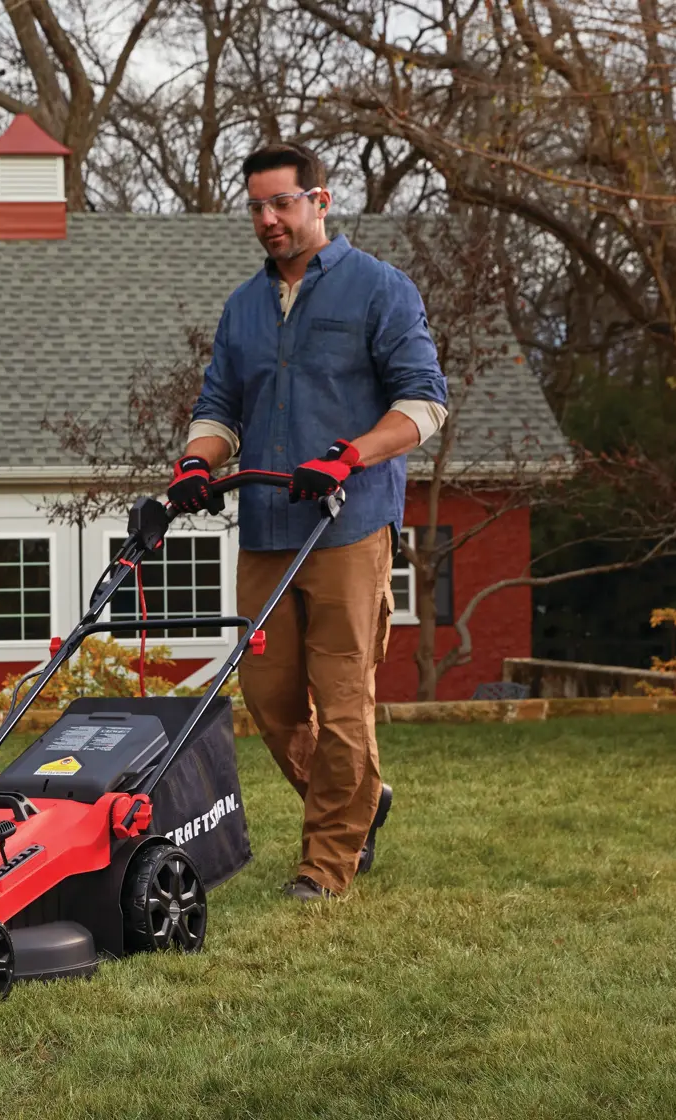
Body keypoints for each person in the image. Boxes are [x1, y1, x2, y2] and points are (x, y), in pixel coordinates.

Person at [167, 142, 448, 902]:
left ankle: (326, 866)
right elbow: (220, 407)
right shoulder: (244, 307)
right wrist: (198, 461)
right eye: (256, 207)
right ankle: (363, 801)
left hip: (348, 529)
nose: (267, 220)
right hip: (263, 527)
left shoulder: (379, 290)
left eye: (281, 204)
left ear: (320, 201)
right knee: (270, 698)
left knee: (343, 696)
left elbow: (423, 404)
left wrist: (350, 455)